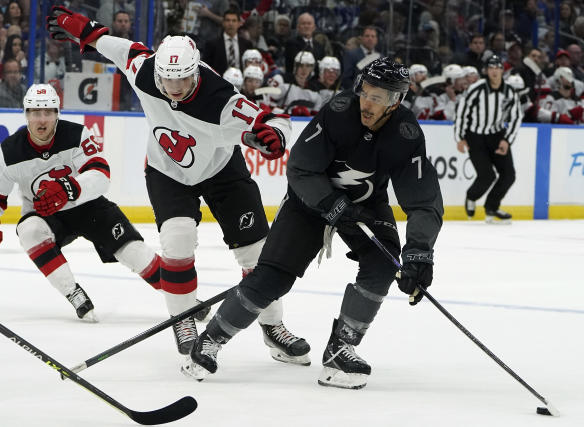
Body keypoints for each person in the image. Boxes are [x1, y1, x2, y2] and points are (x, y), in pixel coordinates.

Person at [47, 6, 310, 373]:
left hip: (222, 171)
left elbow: (274, 119)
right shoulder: (147, 69)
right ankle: (183, 318)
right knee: (178, 241)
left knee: (256, 254)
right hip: (167, 172)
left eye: (182, 81)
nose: (173, 89)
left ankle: (272, 326)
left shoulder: (222, 99)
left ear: (195, 72)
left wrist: (276, 134)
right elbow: (118, 47)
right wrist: (87, 32)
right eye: (167, 81)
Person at [187, 57, 444, 389]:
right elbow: (301, 169)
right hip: (309, 202)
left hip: (364, 207)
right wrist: (331, 204)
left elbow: (423, 200)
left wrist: (420, 251)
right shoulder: (338, 112)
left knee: (384, 264)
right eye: (366, 93)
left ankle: (341, 349)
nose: (367, 103)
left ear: (396, 101)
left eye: (378, 98)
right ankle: (210, 340)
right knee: (272, 277)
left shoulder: (406, 134)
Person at [0, 84, 198, 324]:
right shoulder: (9, 151)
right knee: (29, 231)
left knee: (133, 252)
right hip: (46, 215)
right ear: (26, 114)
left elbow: (101, 174)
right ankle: (73, 292)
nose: (42, 119)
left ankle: (185, 301)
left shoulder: (77, 134)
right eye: (36, 112)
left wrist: (69, 189)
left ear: (57, 113)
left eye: (48, 112)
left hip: (88, 206)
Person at [455, 55, 522, 224]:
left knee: (509, 175)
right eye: (490, 67)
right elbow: (462, 111)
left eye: (497, 67)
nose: (494, 71)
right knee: (486, 176)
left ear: (502, 70)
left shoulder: (509, 92)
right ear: (486, 71)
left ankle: (492, 207)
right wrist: (460, 137)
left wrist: (507, 140)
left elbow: (516, 117)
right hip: (475, 136)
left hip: (497, 135)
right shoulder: (476, 89)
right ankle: (471, 197)